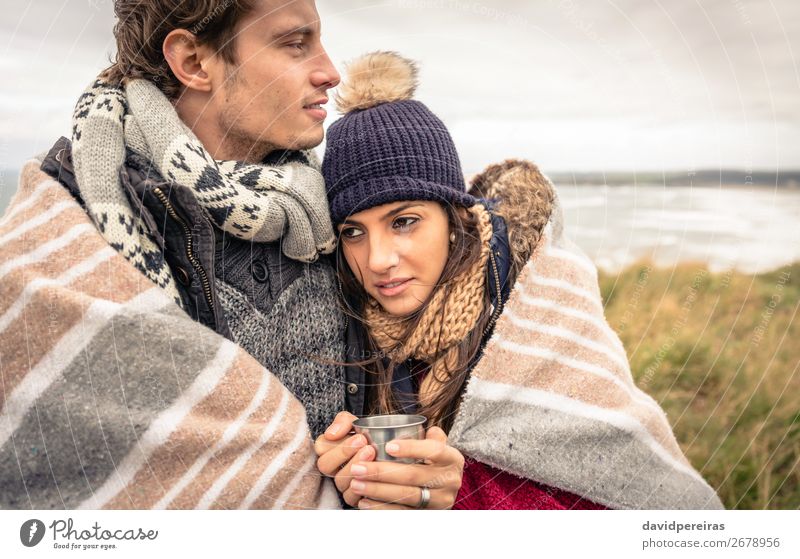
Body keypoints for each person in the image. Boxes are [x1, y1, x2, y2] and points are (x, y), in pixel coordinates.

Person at [313, 52, 725, 510]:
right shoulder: (347, 328)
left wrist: (461, 494)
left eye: (404, 221)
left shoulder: (536, 309)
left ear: (455, 219)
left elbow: (632, 506)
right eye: (353, 231)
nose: (378, 260)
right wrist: (347, 482)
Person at [0, 0, 349, 509]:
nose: (331, 72)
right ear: (193, 62)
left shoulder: (339, 205)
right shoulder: (69, 227)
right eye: (295, 44)